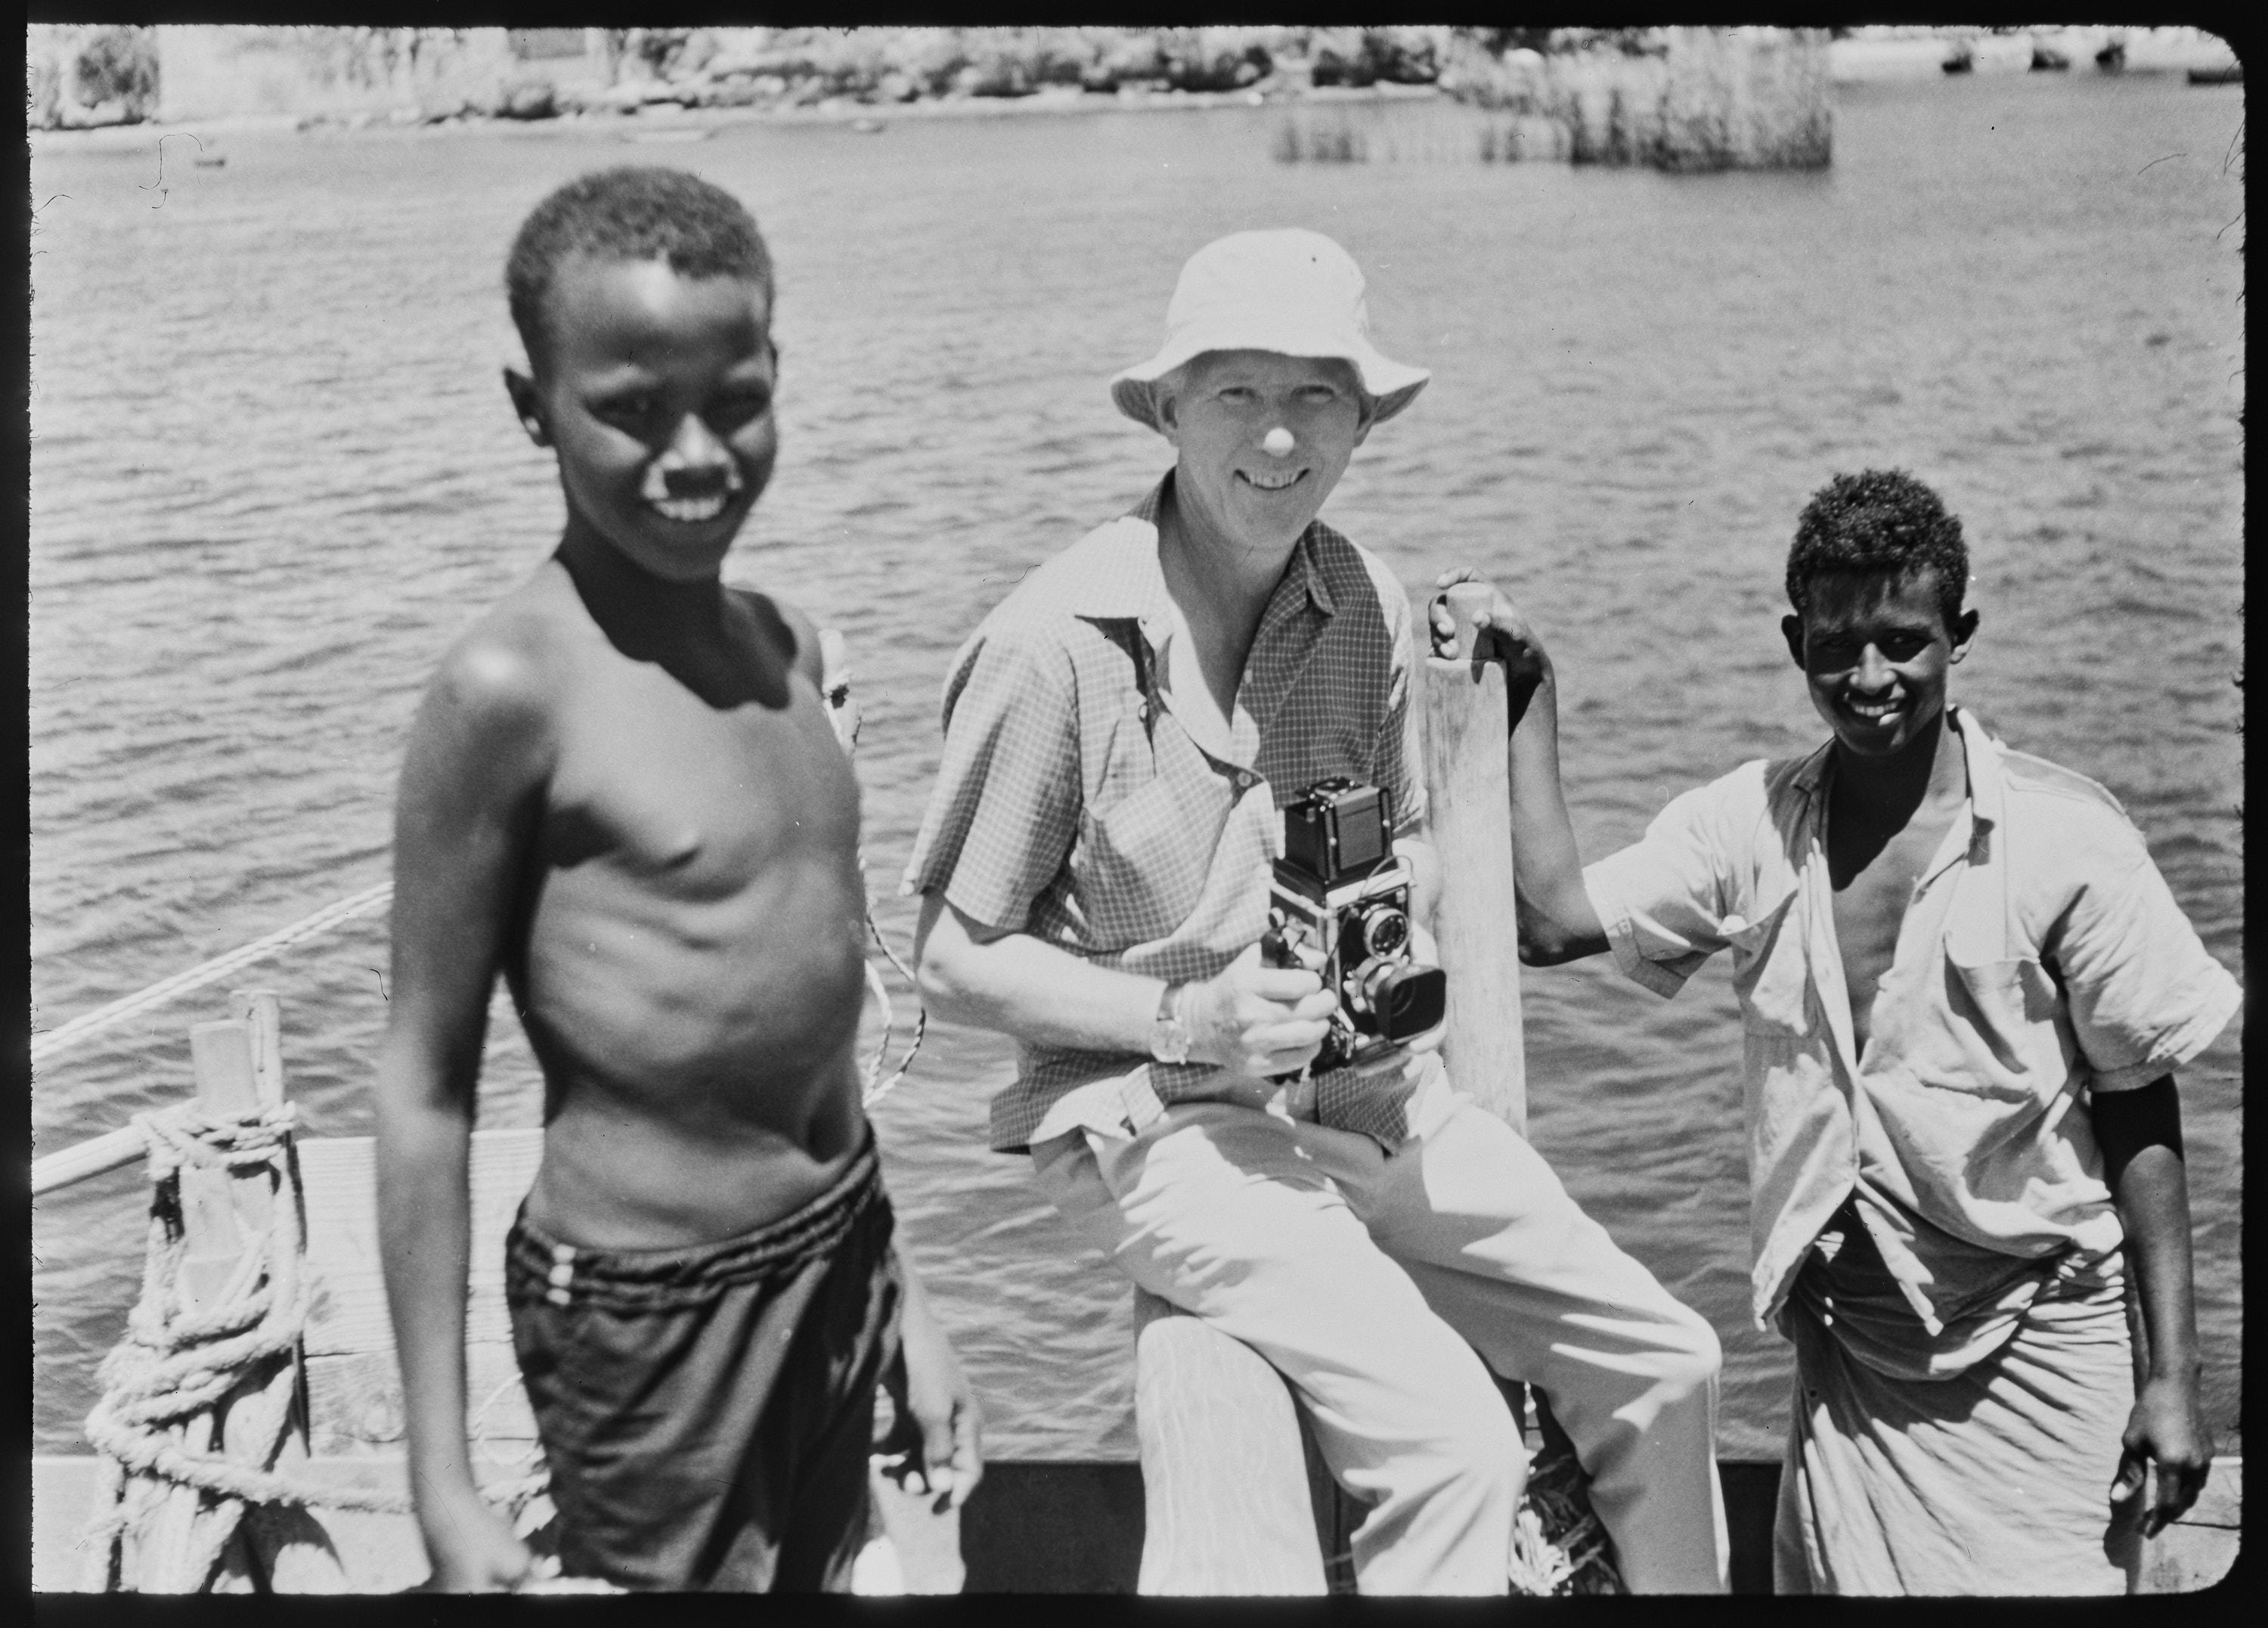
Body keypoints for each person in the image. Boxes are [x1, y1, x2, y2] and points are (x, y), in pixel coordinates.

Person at [903, 229, 1727, 1595]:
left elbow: (1401, 838)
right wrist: (1190, 1013)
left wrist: (1383, 930)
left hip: (1364, 1100)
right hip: (1157, 1122)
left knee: (1672, 1361)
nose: (1279, 440)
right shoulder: (1052, 645)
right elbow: (945, 955)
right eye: (1238, 394)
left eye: (1320, 399)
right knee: (1454, 1449)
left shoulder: (1362, 603)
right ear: (1167, 409)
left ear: (1364, 422)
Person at [1432, 468, 2239, 1594]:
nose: (1869, 679)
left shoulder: (2068, 841)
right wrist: (1530, 687)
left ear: (1960, 636)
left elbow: (2142, 1106)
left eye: (1904, 642)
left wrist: (2176, 1381)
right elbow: (1553, 919)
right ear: (1793, 642)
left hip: (2044, 1351)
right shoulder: (1750, 826)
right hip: (1851, 1358)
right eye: (1834, 646)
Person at [375, 166, 981, 1594]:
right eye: (634, 408)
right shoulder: (506, 690)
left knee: (826, 1574)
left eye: (737, 395)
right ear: (535, 407)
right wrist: (441, 1480)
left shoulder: (791, 649)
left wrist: (909, 1308)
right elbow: (422, 1087)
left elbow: (817, 1032)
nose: (696, 452)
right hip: (650, 1314)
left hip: (838, 1255)